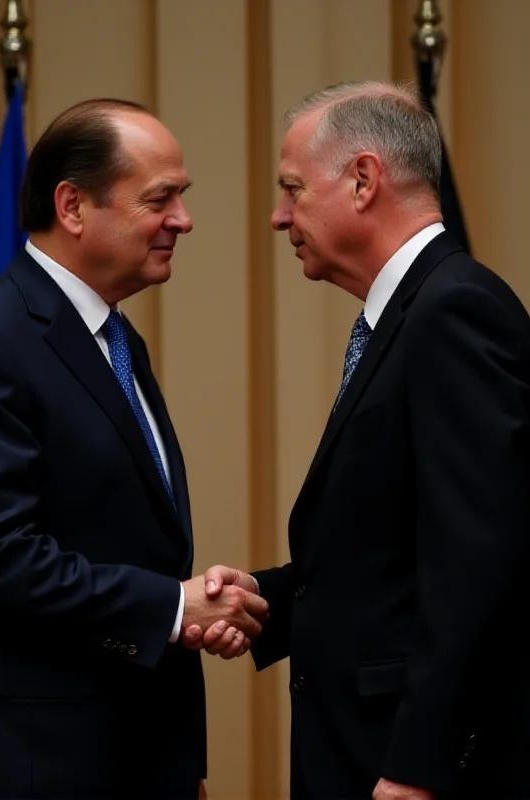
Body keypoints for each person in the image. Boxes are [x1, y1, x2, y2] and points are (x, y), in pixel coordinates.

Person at [190, 82, 530, 799]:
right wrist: (267, 600)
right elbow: (396, 546)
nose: (280, 217)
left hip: (410, 768)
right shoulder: (413, 314)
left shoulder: (453, 310)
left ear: (363, 180)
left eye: (291, 190)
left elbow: (479, 558)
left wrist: (418, 766)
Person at [0, 98, 268, 800]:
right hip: (38, 768)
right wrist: (174, 608)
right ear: (73, 205)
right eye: (161, 198)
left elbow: (129, 540)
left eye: (181, 196)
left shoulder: (116, 341)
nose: (183, 219)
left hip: (140, 756)